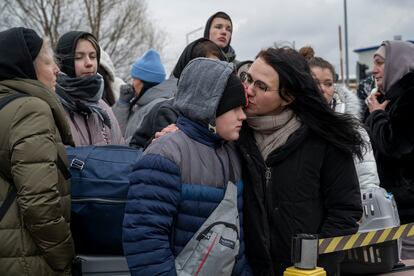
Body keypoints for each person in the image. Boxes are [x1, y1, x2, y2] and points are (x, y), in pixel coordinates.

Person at [237, 47, 364, 275]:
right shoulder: (234, 134)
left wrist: (314, 264)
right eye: (248, 78)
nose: (249, 89)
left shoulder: (324, 140)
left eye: (261, 86)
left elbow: (345, 211)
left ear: (288, 96)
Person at [122, 58, 250, 275]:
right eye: (234, 107)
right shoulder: (165, 155)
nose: (243, 116)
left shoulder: (231, 151)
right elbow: (145, 239)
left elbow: (236, 239)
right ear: (209, 107)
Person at [0, 27, 74, 275]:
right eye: (48, 61)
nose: (57, 69)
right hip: (27, 258)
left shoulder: (6, 106)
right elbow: (39, 199)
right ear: (26, 67)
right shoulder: (30, 110)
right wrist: (64, 256)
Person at [299, 45, 380, 189]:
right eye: (315, 83)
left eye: (328, 84)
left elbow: (367, 180)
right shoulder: (289, 122)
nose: (323, 89)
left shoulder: (352, 127)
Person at [129, 37, 226, 148]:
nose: (215, 74)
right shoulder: (168, 111)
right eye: (208, 68)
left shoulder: (224, 111)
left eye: (219, 68)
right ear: (188, 71)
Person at [365, 40, 414, 259]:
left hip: (408, 213)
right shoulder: (393, 98)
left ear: (398, 63)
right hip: (397, 212)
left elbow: (394, 146)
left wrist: (376, 115)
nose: (373, 69)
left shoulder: (410, 98)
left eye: (380, 62)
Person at [55, 31, 124, 146]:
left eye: (93, 56)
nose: (89, 63)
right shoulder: (53, 107)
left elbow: (119, 153)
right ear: (64, 61)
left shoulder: (103, 108)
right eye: (79, 57)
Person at [112, 48, 166, 142]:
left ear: (144, 82)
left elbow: (132, 143)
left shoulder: (155, 107)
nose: (132, 84)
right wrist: (123, 105)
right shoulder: (140, 104)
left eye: (134, 79)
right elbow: (117, 132)